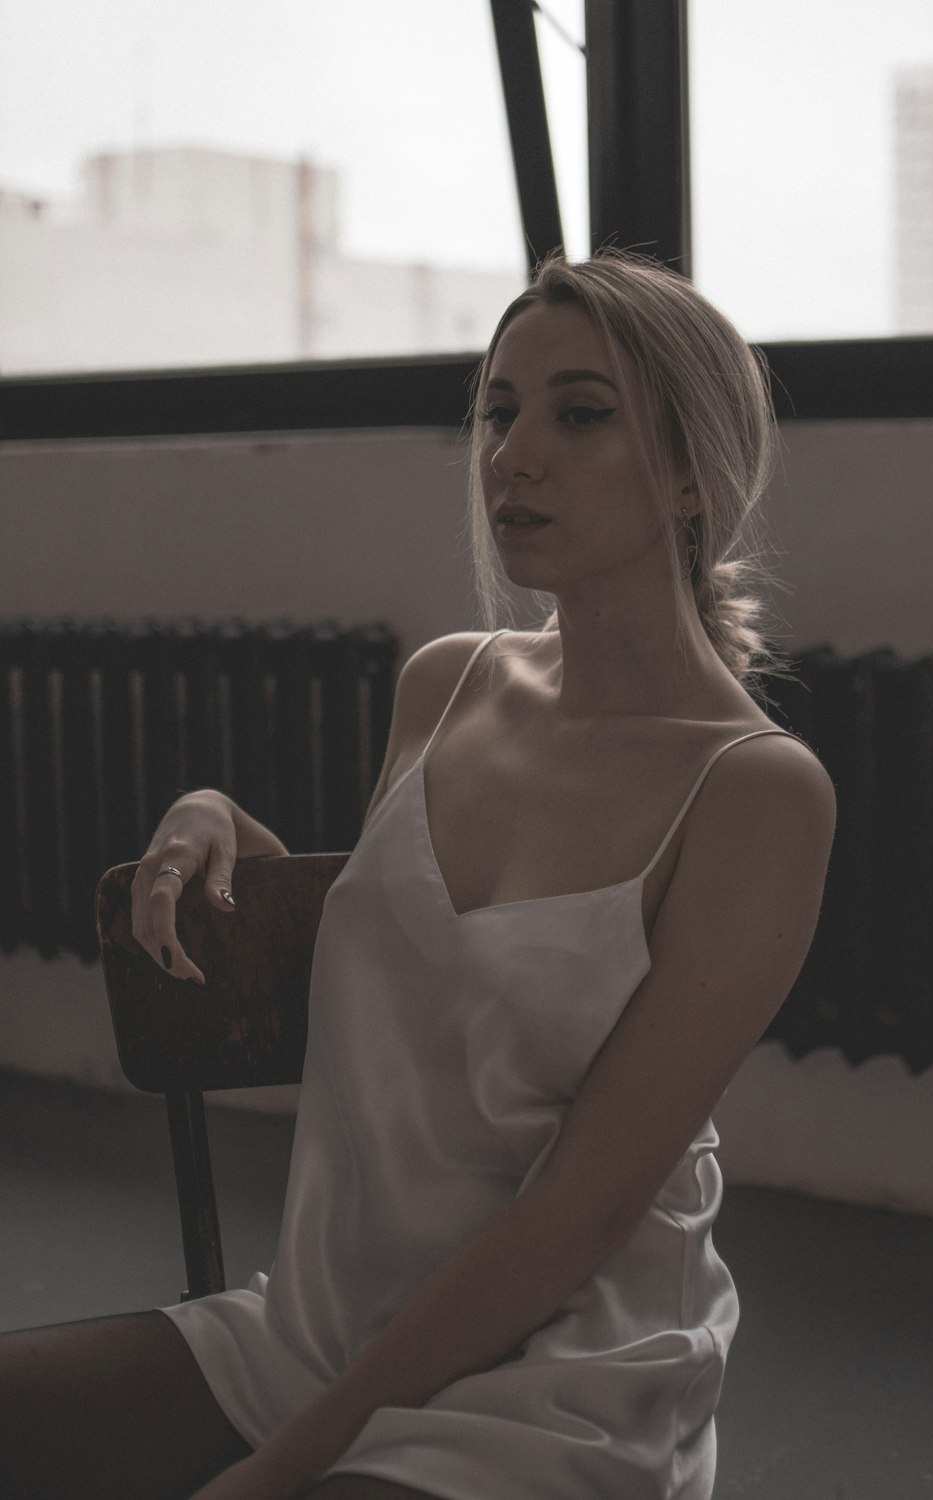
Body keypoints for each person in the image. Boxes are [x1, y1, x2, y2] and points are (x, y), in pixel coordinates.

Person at [0, 249, 836, 1500]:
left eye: (581, 413)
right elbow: (406, 947)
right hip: (315, 1330)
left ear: (689, 473)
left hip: (557, 1383)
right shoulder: (449, 683)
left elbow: (578, 1217)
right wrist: (218, 816)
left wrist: (285, 1467)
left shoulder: (756, 794)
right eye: (500, 410)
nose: (514, 453)